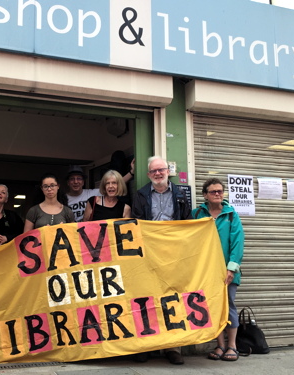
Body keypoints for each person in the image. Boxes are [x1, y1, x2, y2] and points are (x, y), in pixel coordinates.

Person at [131, 155, 191, 365]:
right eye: (154, 171)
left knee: (172, 297)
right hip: (148, 254)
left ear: (168, 171)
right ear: (149, 174)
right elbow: (136, 224)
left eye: (161, 170)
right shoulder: (140, 195)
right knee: (146, 299)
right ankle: (147, 345)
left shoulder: (181, 194)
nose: (158, 173)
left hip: (173, 255)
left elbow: (187, 223)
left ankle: (172, 348)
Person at [192, 178, 244, 362]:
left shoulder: (231, 214)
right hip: (205, 271)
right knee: (212, 307)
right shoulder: (197, 214)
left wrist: (231, 269)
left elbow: (238, 243)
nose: (218, 194)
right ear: (205, 195)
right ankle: (220, 344)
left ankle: (232, 346)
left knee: (228, 306)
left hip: (226, 271)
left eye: (220, 191)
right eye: (213, 192)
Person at [66, 160, 135, 222]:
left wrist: (131, 173)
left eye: (79, 178)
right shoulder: (64, 199)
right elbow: (85, 225)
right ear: (68, 182)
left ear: (83, 182)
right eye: (72, 179)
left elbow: (119, 183)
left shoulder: (125, 208)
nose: (76, 181)